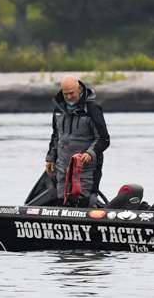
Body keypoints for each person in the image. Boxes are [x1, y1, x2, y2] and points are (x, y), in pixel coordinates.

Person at [44, 75, 111, 206]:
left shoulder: (92, 109)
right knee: (62, 202)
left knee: (83, 202)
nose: (69, 97)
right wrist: (50, 158)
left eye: (71, 93)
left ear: (79, 89)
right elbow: (56, 136)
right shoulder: (58, 110)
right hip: (62, 167)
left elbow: (104, 139)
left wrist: (90, 153)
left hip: (86, 170)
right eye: (65, 94)